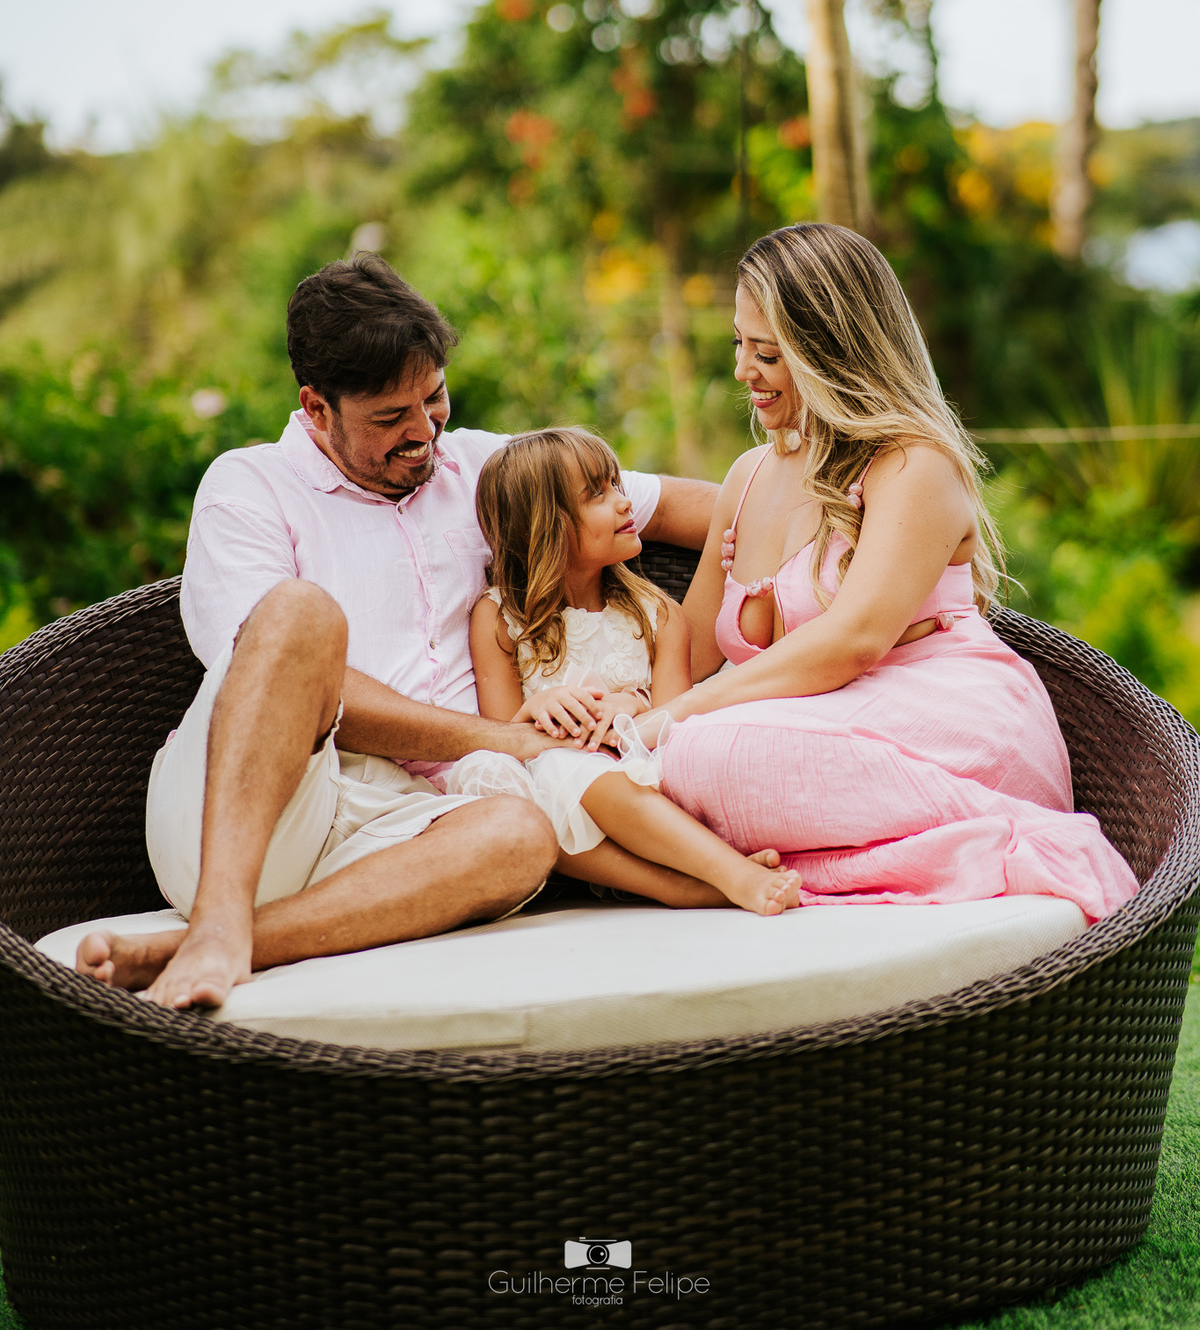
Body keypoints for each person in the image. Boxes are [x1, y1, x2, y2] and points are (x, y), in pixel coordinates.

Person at [76, 255, 716, 1009]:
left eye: (434, 398)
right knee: (300, 613)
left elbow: (688, 506)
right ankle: (218, 918)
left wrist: (823, 544)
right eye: (389, 418)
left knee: (521, 836)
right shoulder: (247, 488)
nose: (423, 433)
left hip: (411, 824)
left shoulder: (486, 470)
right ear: (317, 409)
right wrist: (503, 739)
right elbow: (272, 680)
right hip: (259, 806)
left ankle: (212, 946)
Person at [645, 223, 1137, 924]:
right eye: (738, 345)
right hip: (816, 733)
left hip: (947, 729)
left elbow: (855, 641)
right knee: (627, 772)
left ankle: (983, 841)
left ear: (830, 351)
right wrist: (604, 706)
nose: (742, 371)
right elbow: (688, 650)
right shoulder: (748, 477)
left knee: (698, 757)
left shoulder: (911, 465)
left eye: (767, 353)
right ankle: (778, 861)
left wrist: (675, 720)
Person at [444, 427, 800, 914]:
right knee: (490, 774)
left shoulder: (658, 615)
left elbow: (677, 721)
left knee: (588, 769)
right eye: (597, 494)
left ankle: (719, 872)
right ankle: (676, 886)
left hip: (637, 775)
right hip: (552, 794)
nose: (623, 501)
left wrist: (633, 706)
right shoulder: (499, 617)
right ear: (545, 526)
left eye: (615, 484)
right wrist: (537, 706)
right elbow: (500, 734)